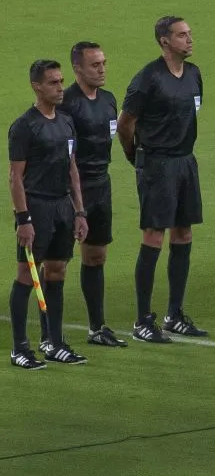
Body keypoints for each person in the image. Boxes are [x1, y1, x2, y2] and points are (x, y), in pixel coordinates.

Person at [117, 16, 206, 342]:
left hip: (185, 162)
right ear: (165, 41)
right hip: (156, 165)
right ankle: (143, 320)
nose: (189, 39)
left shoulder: (194, 74)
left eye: (189, 33)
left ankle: (174, 314)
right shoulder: (148, 79)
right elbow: (125, 124)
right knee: (154, 236)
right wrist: (135, 157)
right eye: (182, 35)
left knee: (183, 234)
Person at [9, 60, 89, 368]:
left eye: (60, 81)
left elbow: (72, 169)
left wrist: (79, 211)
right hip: (37, 207)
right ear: (37, 86)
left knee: (56, 273)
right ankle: (19, 348)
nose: (60, 88)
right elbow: (15, 177)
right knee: (27, 276)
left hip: (62, 207)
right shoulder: (24, 126)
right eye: (53, 83)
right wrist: (23, 218)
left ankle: (54, 343)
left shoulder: (66, 122)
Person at [49, 42, 126, 347]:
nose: (102, 69)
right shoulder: (67, 104)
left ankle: (97, 327)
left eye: (103, 63)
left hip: (101, 186)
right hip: (70, 191)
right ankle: (50, 334)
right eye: (95, 65)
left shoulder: (108, 100)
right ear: (77, 69)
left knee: (95, 256)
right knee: (58, 263)